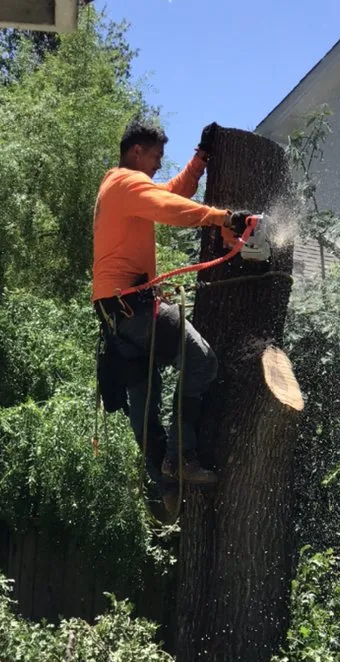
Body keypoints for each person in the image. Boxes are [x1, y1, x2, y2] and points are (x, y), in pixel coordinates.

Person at [92, 119, 238, 487]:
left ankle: (161, 481)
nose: (158, 164)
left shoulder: (120, 187)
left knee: (144, 407)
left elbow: (173, 195)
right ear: (135, 151)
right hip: (133, 309)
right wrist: (222, 218)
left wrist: (201, 159)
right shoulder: (126, 183)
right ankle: (180, 459)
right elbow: (170, 209)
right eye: (155, 156)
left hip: (117, 316)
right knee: (201, 362)